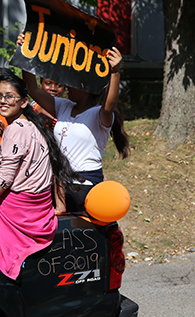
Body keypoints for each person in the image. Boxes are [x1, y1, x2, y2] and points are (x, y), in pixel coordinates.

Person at [0, 73, 76, 280]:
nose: (3, 101)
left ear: (24, 102)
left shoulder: (16, 129)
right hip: (40, 209)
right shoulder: (33, 125)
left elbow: (5, 177)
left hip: (22, 211)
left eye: (10, 96)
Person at [19, 33, 127, 212]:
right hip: (58, 186)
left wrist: (115, 72)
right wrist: (26, 53)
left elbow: (109, 105)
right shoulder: (62, 106)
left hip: (86, 187)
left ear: (87, 88)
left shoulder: (99, 115)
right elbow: (33, 88)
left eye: (72, 83)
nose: (67, 86)